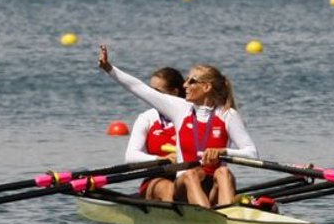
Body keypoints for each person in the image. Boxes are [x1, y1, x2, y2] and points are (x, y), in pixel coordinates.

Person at [98, 45, 258, 208]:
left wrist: (223, 152)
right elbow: (139, 88)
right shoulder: (180, 109)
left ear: (206, 87)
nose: (185, 85)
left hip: (213, 186)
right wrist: (110, 69)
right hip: (183, 185)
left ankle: (228, 216)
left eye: (191, 81)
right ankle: (208, 217)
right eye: (186, 80)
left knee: (224, 172)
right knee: (191, 174)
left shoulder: (228, 115)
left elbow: (252, 154)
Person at [124, 67, 185, 202]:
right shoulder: (147, 118)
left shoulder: (192, 116)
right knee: (168, 188)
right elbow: (130, 156)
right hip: (157, 179)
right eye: (149, 90)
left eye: (157, 92)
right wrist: (162, 159)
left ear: (174, 92)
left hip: (189, 177)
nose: (151, 96)